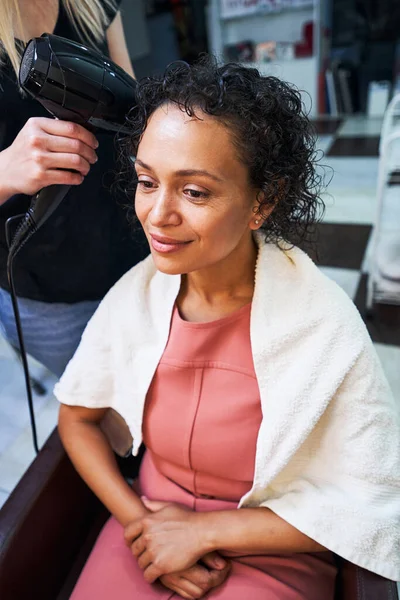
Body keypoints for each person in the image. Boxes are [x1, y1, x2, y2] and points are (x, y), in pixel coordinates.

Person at [55, 58, 400, 600]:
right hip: (148, 529)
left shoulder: (321, 325)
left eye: (193, 192)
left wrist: (206, 531)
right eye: (148, 182)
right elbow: (76, 420)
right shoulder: (136, 300)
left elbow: (368, 504)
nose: (158, 214)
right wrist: (142, 525)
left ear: (263, 200)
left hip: (269, 548)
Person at [0, 0, 148, 376]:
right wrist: (5, 170)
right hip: (47, 294)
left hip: (133, 251)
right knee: (92, 402)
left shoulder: (94, 5)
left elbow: (135, 113)